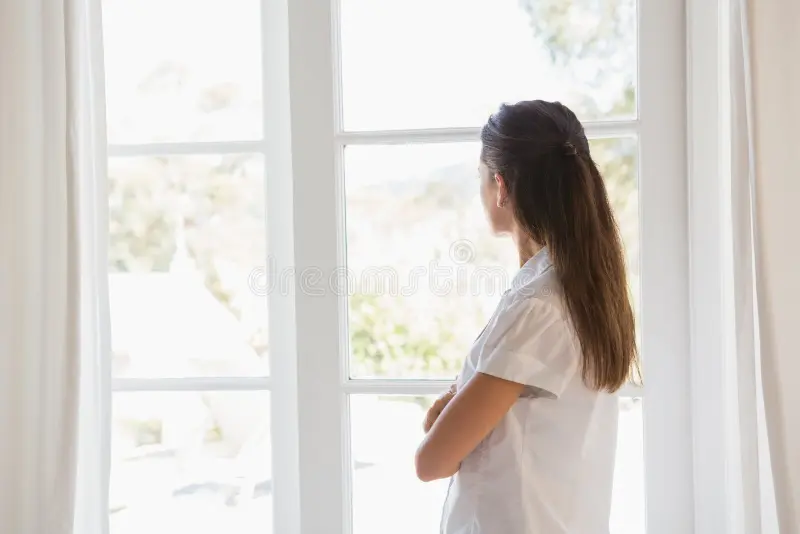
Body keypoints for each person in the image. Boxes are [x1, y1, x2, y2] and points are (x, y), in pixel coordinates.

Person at [415, 100, 638, 534]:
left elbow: (432, 461)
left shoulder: (538, 306)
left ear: (500, 185)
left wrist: (446, 414)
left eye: (481, 178)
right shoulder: (579, 290)